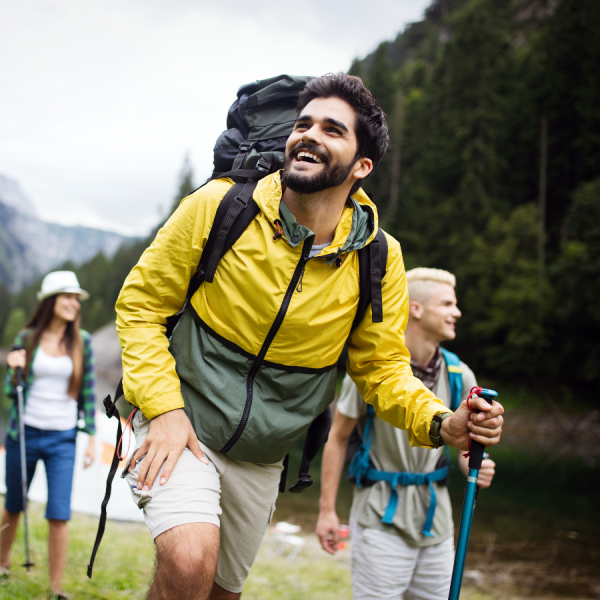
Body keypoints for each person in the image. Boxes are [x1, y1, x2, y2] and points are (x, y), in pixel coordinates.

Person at [115, 73, 504, 600]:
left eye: (332, 129)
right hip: (182, 420)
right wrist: (162, 409)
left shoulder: (378, 257)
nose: (309, 135)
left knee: (220, 592)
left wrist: (442, 422)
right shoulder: (221, 205)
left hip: (262, 454)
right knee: (188, 562)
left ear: (362, 166)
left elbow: (382, 369)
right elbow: (141, 305)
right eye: (303, 123)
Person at [316, 267, 497, 599]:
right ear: (417, 309)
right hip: (380, 517)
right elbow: (338, 436)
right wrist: (327, 509)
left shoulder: (461, 375)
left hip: (437, 524)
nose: (457, 312)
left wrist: (475, 465)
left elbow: (464, 451)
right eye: (447, 304)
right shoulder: (374, 372)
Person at [1, 270, 96, 599]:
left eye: (76, 298)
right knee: (14, 504)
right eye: (67, 296)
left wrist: (93, 437)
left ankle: (56, 589)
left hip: (62, 440)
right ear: (50, 301)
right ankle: (2, 563)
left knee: (59, 512)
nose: (74, 303)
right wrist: (14, 370)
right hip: (23, 434)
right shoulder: (27, 338)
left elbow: (89, 392)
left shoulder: (82, 342)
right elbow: (10, 392)